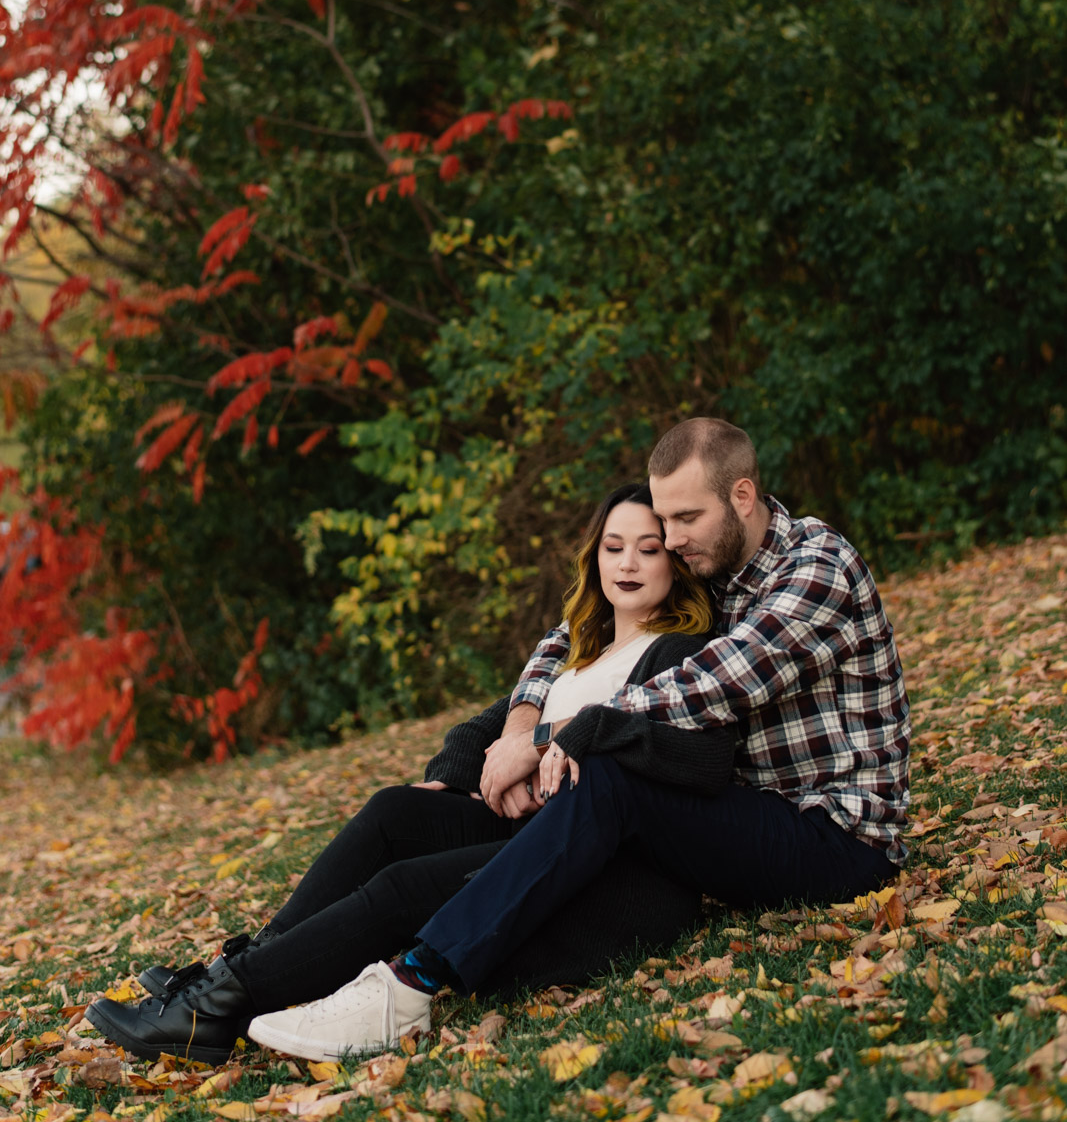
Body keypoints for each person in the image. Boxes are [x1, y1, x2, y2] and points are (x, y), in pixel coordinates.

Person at [244, 416, 911, 1062]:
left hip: (836, 839)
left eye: (684, 519)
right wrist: (523, 720)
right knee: (550, 783)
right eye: (663, 520)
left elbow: (717, 684)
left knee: (609, 768)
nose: (670, 540)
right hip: (746, 819)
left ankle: (412, 982)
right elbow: (575, 638)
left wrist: (567, 732)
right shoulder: (718, 562)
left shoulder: (816, 566)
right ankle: (261, 968)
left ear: (742, 496)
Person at [86, 480, 735, 1065]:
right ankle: (238, 969)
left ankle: (212, 1009)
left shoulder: (677, 655)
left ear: (675, 563)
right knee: (395, 811)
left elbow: (674, 752)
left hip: (600, 869)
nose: (626, 563)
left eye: (647, 549)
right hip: (524, 829)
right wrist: (452, 778)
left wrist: (542, 747)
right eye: (613, 546)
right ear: (593, 556)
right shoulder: (577, 652)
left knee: (404, 886)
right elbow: (482, 728)